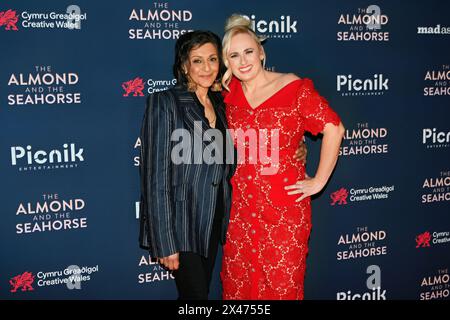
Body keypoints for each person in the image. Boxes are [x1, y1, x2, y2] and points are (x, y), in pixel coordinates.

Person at [220, 14, 346, 300]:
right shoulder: (229, 95)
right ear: (227, 62)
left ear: (261, 52)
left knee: (281, 286)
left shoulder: (293, 87)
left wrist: (319, 181)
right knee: (238, 285)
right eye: (234, 55)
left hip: (283, 211)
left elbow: (334, 128)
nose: (243, 61)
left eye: (249, 51)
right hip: (241, 211)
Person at [138, 30, 233, 300]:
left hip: (213, 219)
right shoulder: (165, 102)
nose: (206, 68)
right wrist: (165, 240)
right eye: (197, 60)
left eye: (213, 59)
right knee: (196, 296)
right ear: (184, 65)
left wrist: (298, 146)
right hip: (180, 223)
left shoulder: (222, 103)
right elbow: (155, 175)